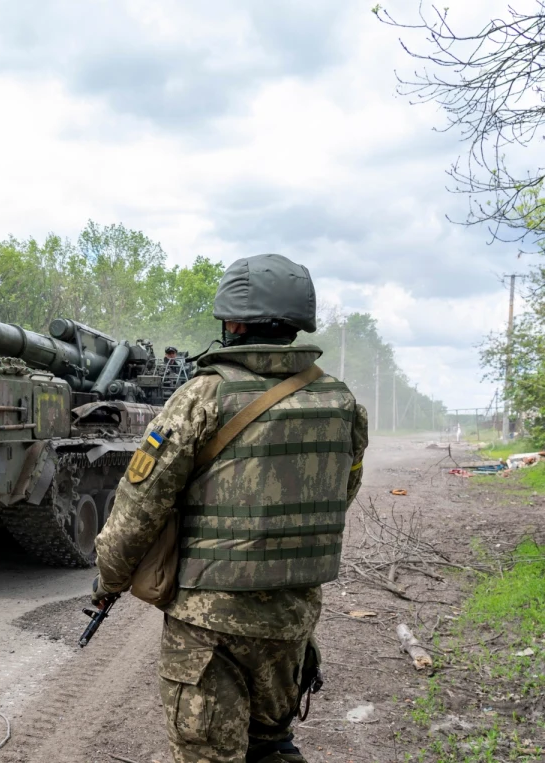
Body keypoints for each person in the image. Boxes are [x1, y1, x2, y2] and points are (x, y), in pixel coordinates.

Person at [91, 254, 369, 763]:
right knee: (272, 747)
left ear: (234, 321)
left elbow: (139, 506)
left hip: (208, 625)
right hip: (292, 617)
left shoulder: (202, 396)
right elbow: (341, 495)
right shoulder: (341, 401)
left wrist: (109, 580)